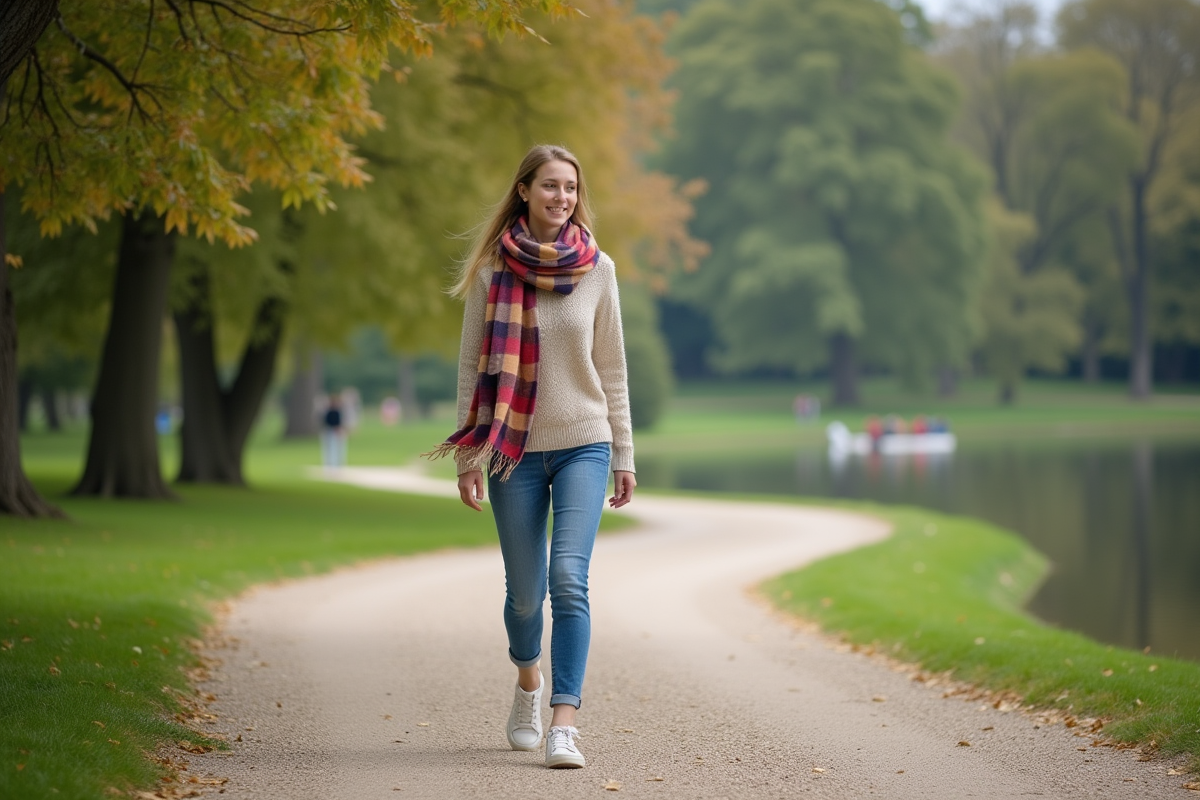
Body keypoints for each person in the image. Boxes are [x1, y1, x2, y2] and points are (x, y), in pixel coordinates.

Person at [426, 144, 636, 769]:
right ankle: (528, 682)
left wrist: (623, 453)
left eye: (570, 187)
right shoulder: (493, 271)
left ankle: (564, 723)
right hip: (512, 450)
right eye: (549, 185)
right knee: (525, 595)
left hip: (584, 443)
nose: (561, 197)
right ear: (524, 190)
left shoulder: (598, 269)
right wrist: (469, 456)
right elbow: (471, 369)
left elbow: (613, 369)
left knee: (569, 579)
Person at [320, 392, 347, 468]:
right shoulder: (329, 412)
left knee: (338, 448)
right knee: (330, 448)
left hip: (337, 431)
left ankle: (338, 464)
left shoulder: (338, 411)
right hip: (330, 431)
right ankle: (330, 464)